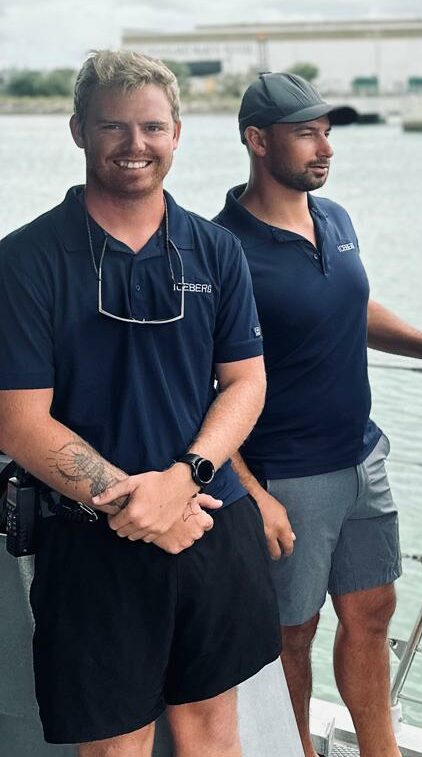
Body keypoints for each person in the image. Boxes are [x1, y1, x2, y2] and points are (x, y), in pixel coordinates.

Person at [0, 50, 278, 755]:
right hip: (92, 546)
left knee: (213, 733)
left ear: (178, 133)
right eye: (113, 127)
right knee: (115, 746)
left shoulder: (215, 251)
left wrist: (184, 479)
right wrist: (137, 507)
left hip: (212, 524)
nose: (135, 146)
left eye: (152, 127)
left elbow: (246, 381)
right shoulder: (28, 259)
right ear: (78, 131)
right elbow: (19, 419)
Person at [213, 72, 422, 757]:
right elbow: (205, 387)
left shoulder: (335, 219)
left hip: (362, 455)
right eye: (305, 134)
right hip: (285, 474)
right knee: (292, 634)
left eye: (326, 132)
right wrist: (251, 493)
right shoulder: (221, 247)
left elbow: (353, 306)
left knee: (373, 612)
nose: (324, 147)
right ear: (258, 141)